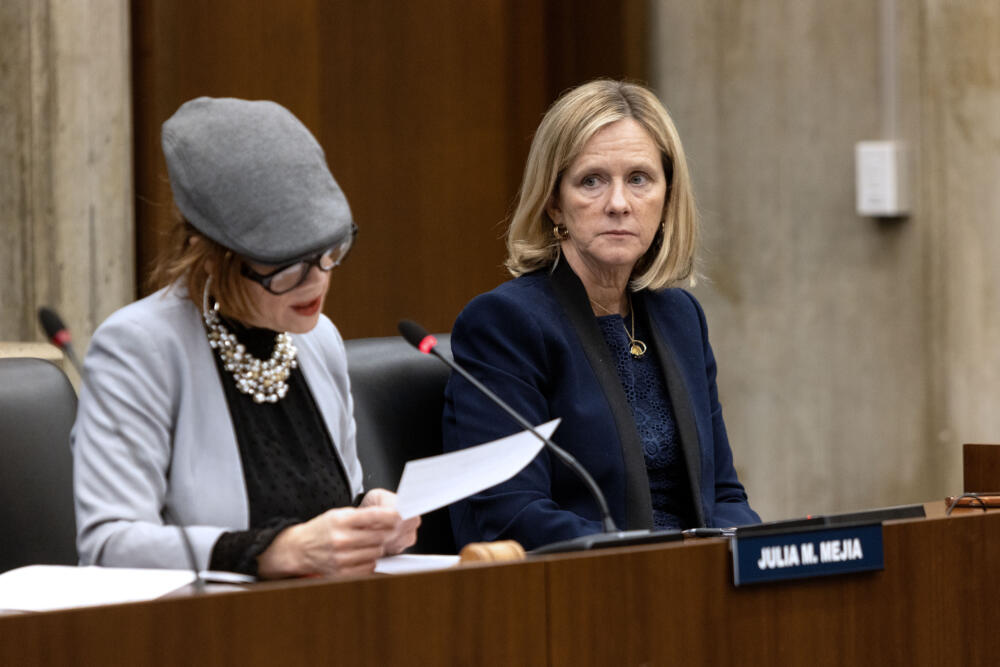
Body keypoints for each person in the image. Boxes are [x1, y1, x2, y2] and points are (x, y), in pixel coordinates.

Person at [72, 97, 419, 578]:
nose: (317, 280)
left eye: (328, 251)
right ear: (208, 254)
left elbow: (327, 509)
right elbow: (109, 544)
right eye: (285, 265)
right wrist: (272, 552)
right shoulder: (139, 346)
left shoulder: (319, 340)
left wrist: (371, 516)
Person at [442, 80, 759, 551]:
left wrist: (757, 551)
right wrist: (655, 557)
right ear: (554, 203)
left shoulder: (680, 317)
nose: (618, 203)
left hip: (692, 585)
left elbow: (723, 494)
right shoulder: (506, 324)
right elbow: (511, 513)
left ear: (667, 197)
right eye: (591, 180)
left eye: (639, 179)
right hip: (583, 592)